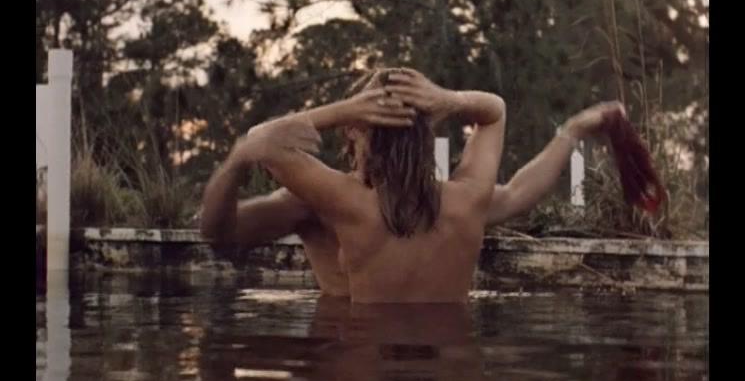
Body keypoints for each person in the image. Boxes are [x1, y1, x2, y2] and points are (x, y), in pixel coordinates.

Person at [201, 68, 624, 301]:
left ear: (353, 128)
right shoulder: (464, 200)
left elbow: (259, 147)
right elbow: (515, 182)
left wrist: (342, 110)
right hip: (437, 370)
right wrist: (454, 100)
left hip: (355, 362)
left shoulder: (334, 199)